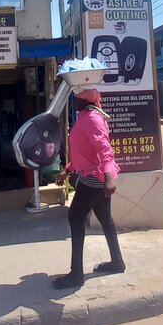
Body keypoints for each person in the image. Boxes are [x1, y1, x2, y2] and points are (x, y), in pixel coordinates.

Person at [54, 88, 125, 289]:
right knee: (104, 217)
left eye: (77, 98)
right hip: (94, 175)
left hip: (94, 178)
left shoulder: (92, 118)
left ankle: (76, 274)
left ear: (85, 100)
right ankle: (117, 262)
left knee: (75, 217)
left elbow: (104, 150)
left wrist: (109, 177)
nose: (74, 100)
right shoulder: (85, 116)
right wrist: (67, 169)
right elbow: (83, 151)